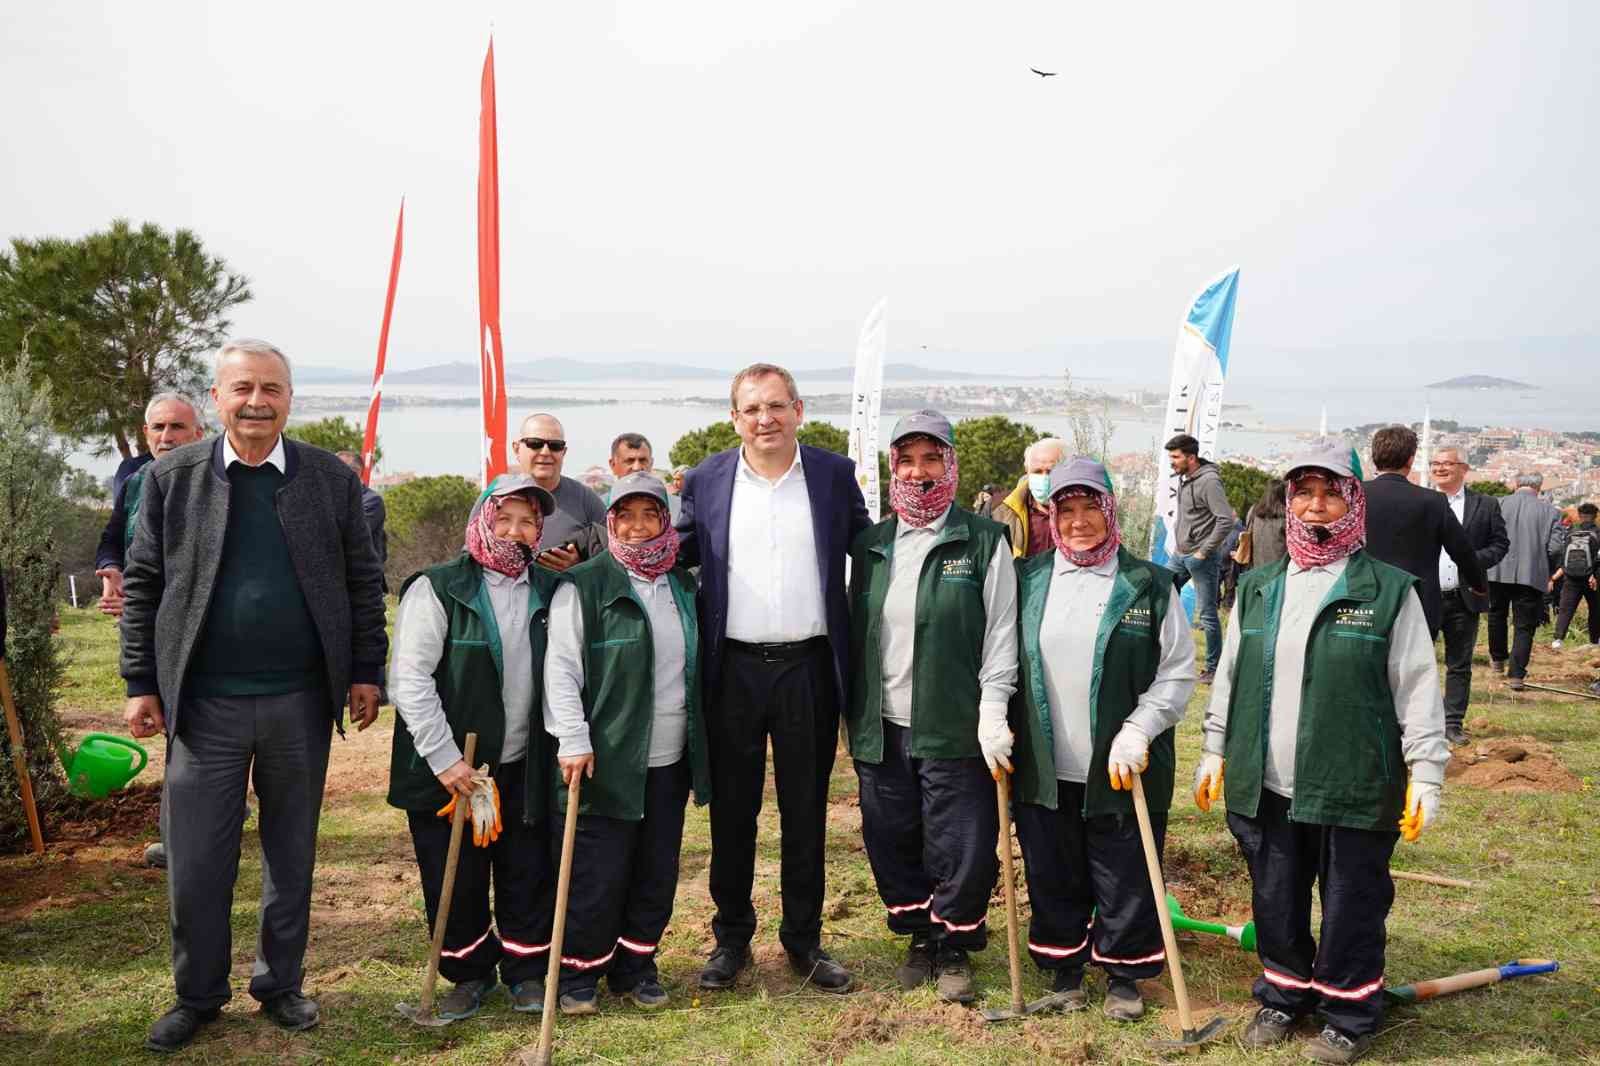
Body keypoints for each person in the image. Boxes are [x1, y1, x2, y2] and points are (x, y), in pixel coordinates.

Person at [120, 339, 387, 1052]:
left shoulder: (328, 480)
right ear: (217, 397)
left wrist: (367, 669)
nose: (256, 401)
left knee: (290, 852)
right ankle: (198, 994)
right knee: (198, 859)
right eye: (242, 388)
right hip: (201, 705)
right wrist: (140, 681)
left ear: (290, 399)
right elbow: (143, 584)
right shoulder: (174, 479)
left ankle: (280, 984)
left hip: (299, 700)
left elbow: (364, 581)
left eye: (271, 388)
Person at [1195, 441, 1447, 1065]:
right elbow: (1229, 674)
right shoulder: (1256, 588)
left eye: (1331, 492)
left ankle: (1348, 1007)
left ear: (1354, 501)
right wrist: (1214, 749)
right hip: (1270, 779)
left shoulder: (1388, 591)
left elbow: (1416, 685)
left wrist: (1427, 773)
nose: (1314, 506)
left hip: (1353, 780)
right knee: (1275, 893)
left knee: (1351, 897)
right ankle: (1284, 994)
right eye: (1302, 493)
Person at [674, 363, 870, 993]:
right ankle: (731, 938)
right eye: (752, 409)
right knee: (733, 812)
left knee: (805, 810)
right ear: (735, 417)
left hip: (809, 668)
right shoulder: (705, 480)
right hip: (731, 669)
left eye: (777, 406)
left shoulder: (835, 476)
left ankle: (803, 939)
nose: (766, 419)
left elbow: (871, 548)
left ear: (799, 410)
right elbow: (672, 555)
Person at [1008, 457, 1197, 1020]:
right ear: (1052, 514)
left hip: (1121, 763)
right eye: (1067, 510)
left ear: (1110, 509)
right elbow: (1000, 659)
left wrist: (1139, 727)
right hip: (1046, 759)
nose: (1080, 520)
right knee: (1051, 865)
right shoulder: (1028, 579)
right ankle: (1064, 970)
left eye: (1091, 506)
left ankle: (1123, 976)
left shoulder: (1150, 583)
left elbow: (1178, 671)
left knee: (1127, 867)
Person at [843, 411, 1017, 1004]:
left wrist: (993, 710)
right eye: (908, 460)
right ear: (893, 467)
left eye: (932, 458)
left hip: (953, 720)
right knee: (891, 834)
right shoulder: (869, 545)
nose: (920, 472)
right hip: (881, 720)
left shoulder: (984, 539)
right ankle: (919, 933)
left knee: (961, 840)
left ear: (951, 464)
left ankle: (956, 944)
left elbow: (999, 635)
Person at [387, 475, 559, 1020]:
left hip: (521, 764)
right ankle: (467, 973)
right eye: (504, 517)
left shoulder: (553, 589)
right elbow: (410, 681)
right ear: (482, 518)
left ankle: (527, 972)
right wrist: (447, 761)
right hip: (451, 768)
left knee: (525, 872)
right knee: (453, 878)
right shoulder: (439, 587)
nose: (516, 530)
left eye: (528, 520)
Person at [543, 472, 710, 1013]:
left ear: (666, 521)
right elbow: (562, 669)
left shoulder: (683, 584)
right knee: (597, 872)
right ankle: (579, 976)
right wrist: (572, 736)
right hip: (606, 757)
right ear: (610, 522)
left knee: (656, 869)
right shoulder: (585, 583)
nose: (639, 528)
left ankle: (636, 967)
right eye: (626, 516)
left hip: (670, 755)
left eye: (651, 515)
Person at [1361, 426, 1487, 639]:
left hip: (1365, 599)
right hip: (1418, 602)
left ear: (1374, 458)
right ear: (1411, 460)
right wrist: (1478, 584)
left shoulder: (1355, 496)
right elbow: (1461, 550)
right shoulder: (1433, 501)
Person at [94, 393, 206, 618]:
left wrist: (142, 602)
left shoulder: (217, 484)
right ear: (146, 433)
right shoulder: (134, 482)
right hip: (139, 627)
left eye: (177, 427)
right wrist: (113, 571)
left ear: (198, 434)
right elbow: (112, 539)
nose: (166, 437)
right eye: (158, 427)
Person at [1425, 447, 1509, 745]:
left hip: (1465, 596)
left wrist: (1472, 560)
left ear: (1464, 468)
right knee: (1417, 662)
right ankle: (1421, 722)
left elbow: (1500, 545)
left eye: (1447, 463)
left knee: (1459, 664)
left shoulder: (1485, 505)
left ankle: (1452, 723)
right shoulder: (1422, 501)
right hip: (1425, 596)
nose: (1440, 468)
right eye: (1435, 463)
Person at [1164, 433, 1236, 683]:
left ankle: (1213, 668)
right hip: (1180, 555)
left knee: (1207, 614)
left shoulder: (1209, 482)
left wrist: (1204, 551)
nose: (1171, 461)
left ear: (1191, 457)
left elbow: (1226, 519)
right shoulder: (1185, 478)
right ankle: (1164, 655)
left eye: (1175, 457)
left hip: (1201, 558)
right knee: (1160, 596)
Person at [1487, 474, 1564, 690]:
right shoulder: (1551, 512)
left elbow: (1484, 535)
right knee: (1524, 625)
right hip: (1531, 573)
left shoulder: (1497, 504)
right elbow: (1556, 548)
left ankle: (1497, 659)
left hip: (1496, 569)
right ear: (1539, 488)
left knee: (1496, 615)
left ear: (1515, 484)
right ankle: (1517, 675)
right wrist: (1545, 566)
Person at [512, 412, 608, 571]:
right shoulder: (496, 499)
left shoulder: (586, 500)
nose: (545, 452)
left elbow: (613, 561)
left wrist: (580, 567)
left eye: (555, 445)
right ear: (516, 449)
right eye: (535, 443)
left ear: (564, 452)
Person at [994, 438, 1065, 559]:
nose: (1044, 477)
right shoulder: (1001, 510)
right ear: (1027, 472)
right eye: (1037, 471)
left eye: (1050, 471)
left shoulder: (1082, 511)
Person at [1552, 502, 1600, 649]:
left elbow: (1562, 556)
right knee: (1596, 609)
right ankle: (1594, 640)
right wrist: (1596, 576)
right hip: (1592, 578)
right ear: (1595, 516)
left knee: (1566, 608)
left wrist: (1557, 575)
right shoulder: (1598, 533)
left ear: (1579, 516)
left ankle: (1558, 640)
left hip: (1571, 577)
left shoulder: (1571, 532)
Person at [335, 450, 389, 579]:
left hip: (362, 580)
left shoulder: (371, 501)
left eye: (334, 469)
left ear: (354, 473)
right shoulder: (331, 498)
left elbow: (351, 535)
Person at [1240, 477, 1288, 571]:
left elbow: (1248, 531)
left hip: (1255, 568)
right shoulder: (1286, 517)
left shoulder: (1254, 511)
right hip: (1278, 571)